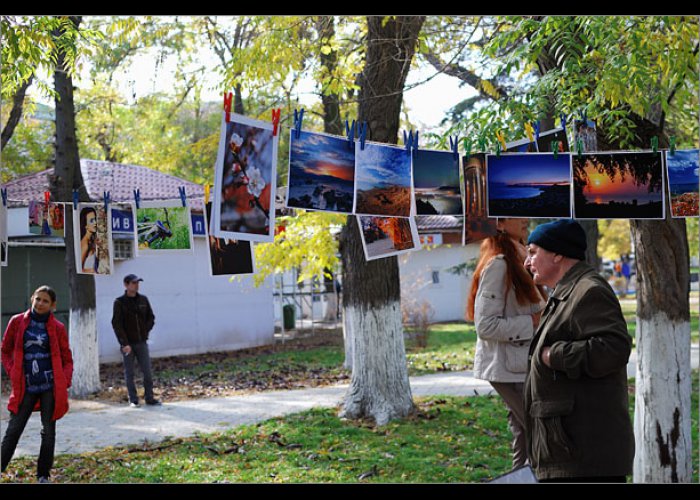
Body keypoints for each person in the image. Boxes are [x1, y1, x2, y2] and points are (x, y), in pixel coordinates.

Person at [523, 219, 634, 482]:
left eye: (533, 252)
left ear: (557, 253)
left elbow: (614, 348)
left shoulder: (588, 290)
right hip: (569, 450)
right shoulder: (568, 290)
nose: (527, 262)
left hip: (584, 456)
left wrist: (554, 355)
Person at [467, 218, 547, 470]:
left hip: (523, 365)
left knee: (525, 434)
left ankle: (521, 476)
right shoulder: (499, 265)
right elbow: (486, 326)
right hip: (508, 369)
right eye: (517, 216)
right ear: (500, 224)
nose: (525, 220)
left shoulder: (521, 257)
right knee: (538, 428)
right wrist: (532, 322)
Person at [1, 285, 73, 483]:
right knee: (14, 430)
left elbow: (67, 359)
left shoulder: (58, 328)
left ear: (53, 306)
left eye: (45, 301)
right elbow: (4, 350)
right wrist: (13, 370)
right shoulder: (17, 322)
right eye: (38, 299)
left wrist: (64, 381)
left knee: (48, 432)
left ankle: (43, 475)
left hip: (50, 388)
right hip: (26, 387)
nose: (40, 303)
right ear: (32, 298)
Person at [111, 274, 160, 407]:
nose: (136, 285)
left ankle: (150, 397)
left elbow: (151, 317)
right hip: (128, 344)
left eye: (138, 283)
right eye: (133, 283)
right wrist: (124, 343)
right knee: (130, 372)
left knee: (147, 371)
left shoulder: (143, 300)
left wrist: (145, 330)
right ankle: (133, 399)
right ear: (126, 285)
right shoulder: (119, 302)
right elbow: (117, 324)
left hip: (142, 342)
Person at [80, 206, 98, 273]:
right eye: (91, 221)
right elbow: (80, 269)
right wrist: (93, 271)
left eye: (95, 219)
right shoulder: (84, 244)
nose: (95, 223)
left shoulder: (91, 240)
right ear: (85, 225)